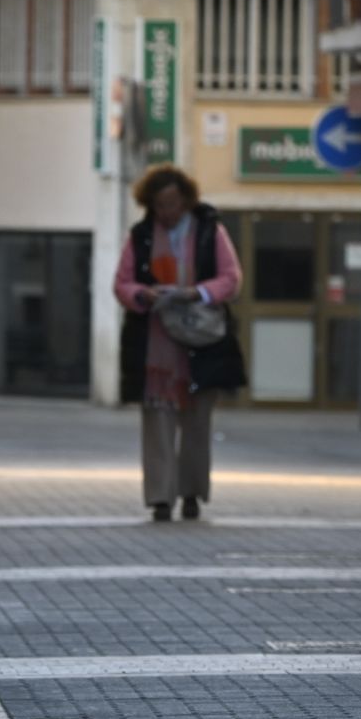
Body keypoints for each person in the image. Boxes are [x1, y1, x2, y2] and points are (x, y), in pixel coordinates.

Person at [113, 165, 245, 522]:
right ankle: (160, 497)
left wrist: (196, 293)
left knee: (197, 424)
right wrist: (144, 294)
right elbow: (122, 283)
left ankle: (191, 494)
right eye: (160, 206)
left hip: (202, 343)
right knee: (157, 424)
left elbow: (231, 279)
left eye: (172, 204)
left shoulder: (209, 231)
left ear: (186, 201)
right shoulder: (140, 236)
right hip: (156, 346)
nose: (167, 213)